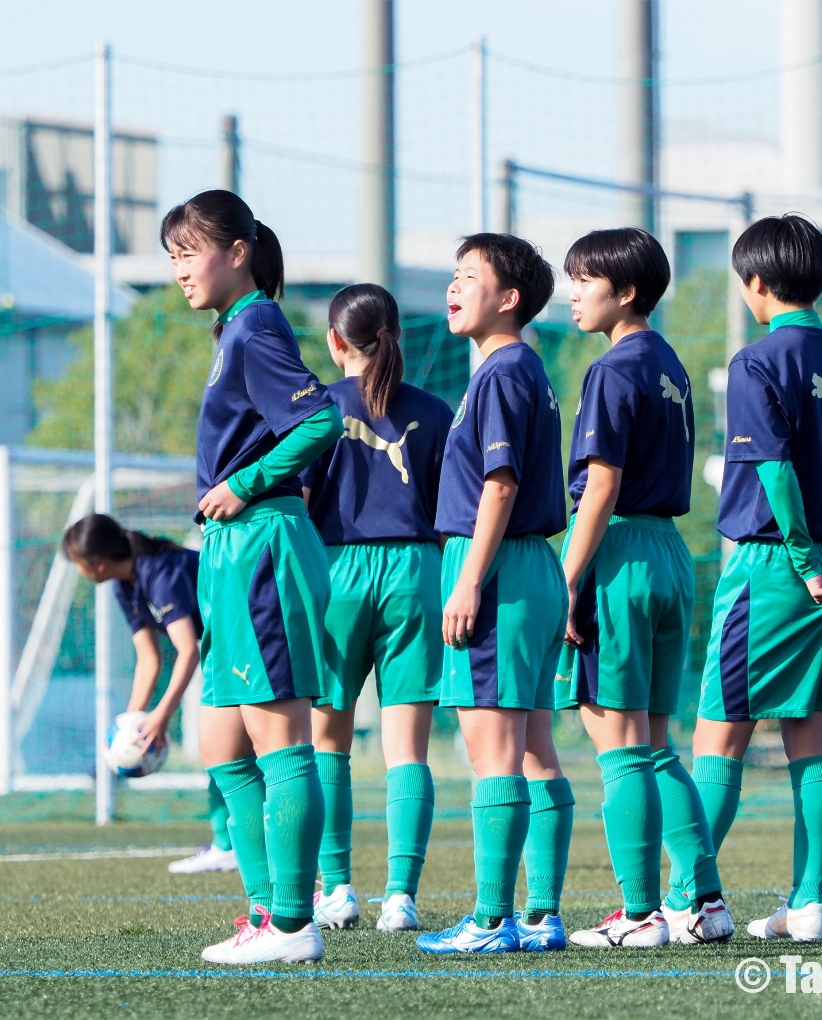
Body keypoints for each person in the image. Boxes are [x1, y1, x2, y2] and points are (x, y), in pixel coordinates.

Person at [164, 189, 344, 965]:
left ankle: (294, 926)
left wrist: (247, 481)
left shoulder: (258, 323)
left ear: (238, 251)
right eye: (170, 256)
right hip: (230, 551)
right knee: (223, 748)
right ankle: (267, 914)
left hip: (263, 541)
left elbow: (320, 418)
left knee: (279, 741)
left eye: (189, 252)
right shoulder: (232, 330)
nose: (177, 270)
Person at [555, 228, 733, 949]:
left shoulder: (613, 367)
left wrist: (566, 582)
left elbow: (601, 487)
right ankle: (705, 903)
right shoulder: (669, 363)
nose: (572, 292)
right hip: (667, 553)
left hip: (621, 551)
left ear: (624, 291)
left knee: (620, 746)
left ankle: (638, 915)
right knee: (657, 745)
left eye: (584, 279)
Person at [695, 214, 822, 943]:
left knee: (719, 739)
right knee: (812, 740)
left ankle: (689, 896)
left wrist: (800, 564)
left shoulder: (756, 361)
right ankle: (808, 903)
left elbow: (775, 474)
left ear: (757, 284)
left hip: (774, 564)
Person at [415, 233, 571, 955]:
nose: (454, 287)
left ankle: (489, 921)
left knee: (495, 752)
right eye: (453, 275)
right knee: (535, 748)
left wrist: (468, 581)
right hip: (532, 567)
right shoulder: (522, 370)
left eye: (469, 276)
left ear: (508, 298)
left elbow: (499, 486)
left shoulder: (503, 372)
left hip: (500, 569)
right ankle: (539, 915)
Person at [299, 283, 453, 932]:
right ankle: (401, 898)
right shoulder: (438, 412)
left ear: (336, 342)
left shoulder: (318, 408)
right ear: (398, 335)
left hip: (337, 572)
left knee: (326, 740)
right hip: (417, 571)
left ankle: (336, 889)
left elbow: (299, 505)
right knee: (407, 749)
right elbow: (454, 515)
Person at [62, 513, 237, 875]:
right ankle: (227, 843)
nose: (79, 571)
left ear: (98, 562)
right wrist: (133, 723)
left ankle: (236, 845)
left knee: (231, 751)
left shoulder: (162, 573)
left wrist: (161, 716)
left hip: (243, 645)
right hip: (222, 651)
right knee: (222, 751)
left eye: (78, 564)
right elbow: (148, 659)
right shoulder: (123, 585)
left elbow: (188, 649)